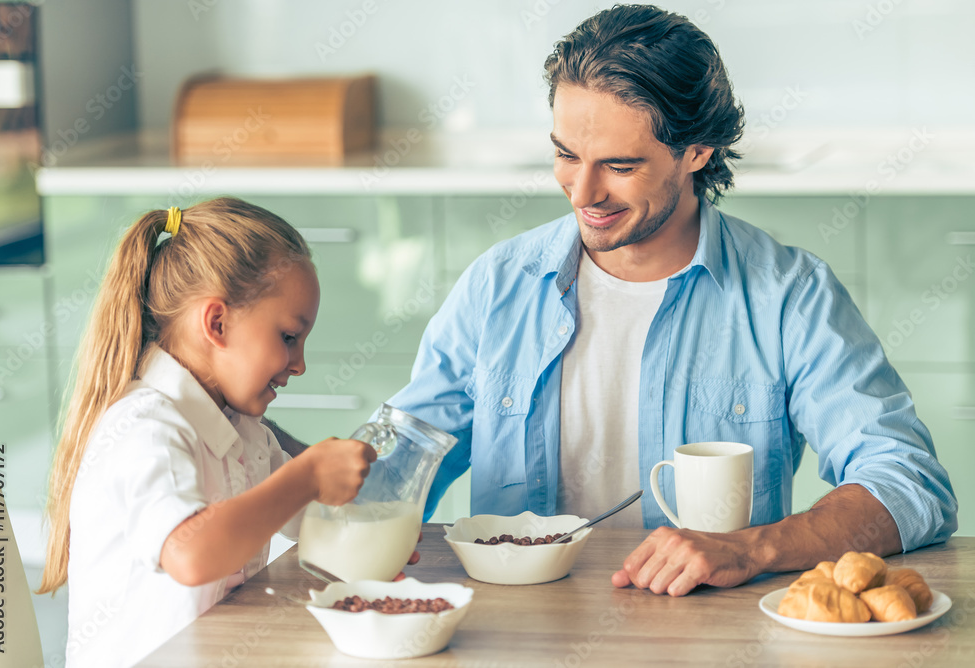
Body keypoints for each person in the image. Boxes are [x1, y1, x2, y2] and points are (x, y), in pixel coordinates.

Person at [384, 5, 957, 596]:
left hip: (709, 633)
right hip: (518, 630)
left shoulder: (789, 295)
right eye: (566, 155)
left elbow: (909, 484)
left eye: (620, 165)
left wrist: (752, 547)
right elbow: (397, 466)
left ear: (697, 151)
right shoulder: (497, 286)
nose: (582, 193)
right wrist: (300, 473)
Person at [37, 198, 388, 668]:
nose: (300, 364)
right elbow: (191, 553)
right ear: (217, 323)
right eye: (288, 337)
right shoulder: (145, 429)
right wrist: (307, 473)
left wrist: (374, 547)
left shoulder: (243, 431)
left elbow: (311, 522)